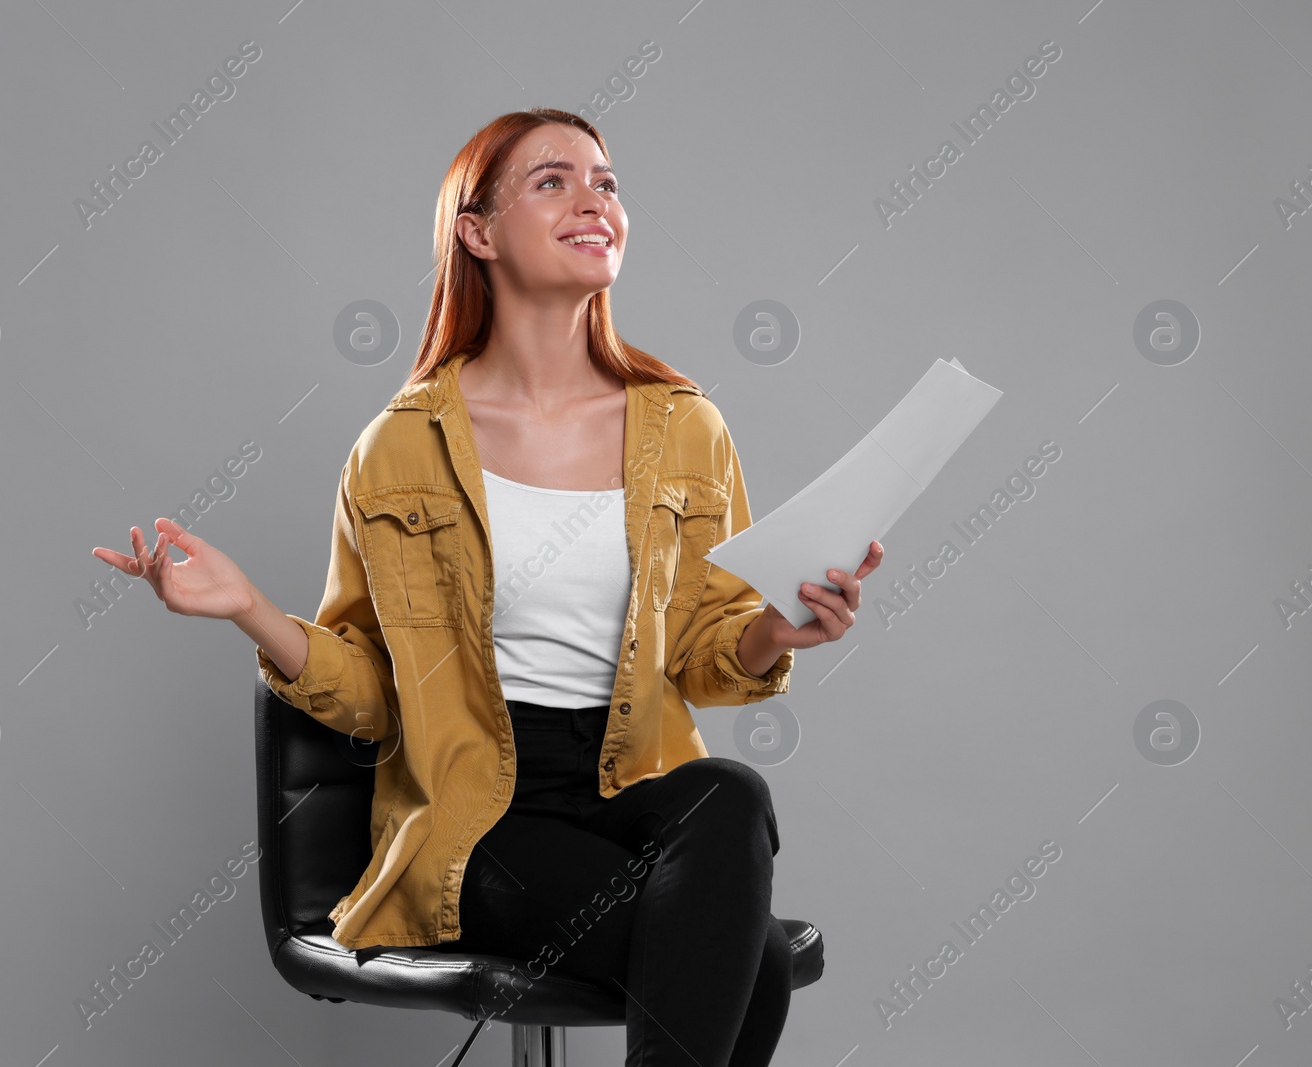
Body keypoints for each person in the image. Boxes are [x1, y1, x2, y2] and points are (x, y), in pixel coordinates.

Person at [94, 107, 883, 1066]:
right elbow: (376, 695)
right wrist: (249, 609)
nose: (594, 199)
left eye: (607, 181)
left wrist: (774, 631)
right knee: (746, 952)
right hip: (479, 814)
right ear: (476, 232)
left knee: (728, 789)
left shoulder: (686, 428)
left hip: (630, 783)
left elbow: (705, 656)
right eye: (553, 181)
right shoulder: (400, 445)